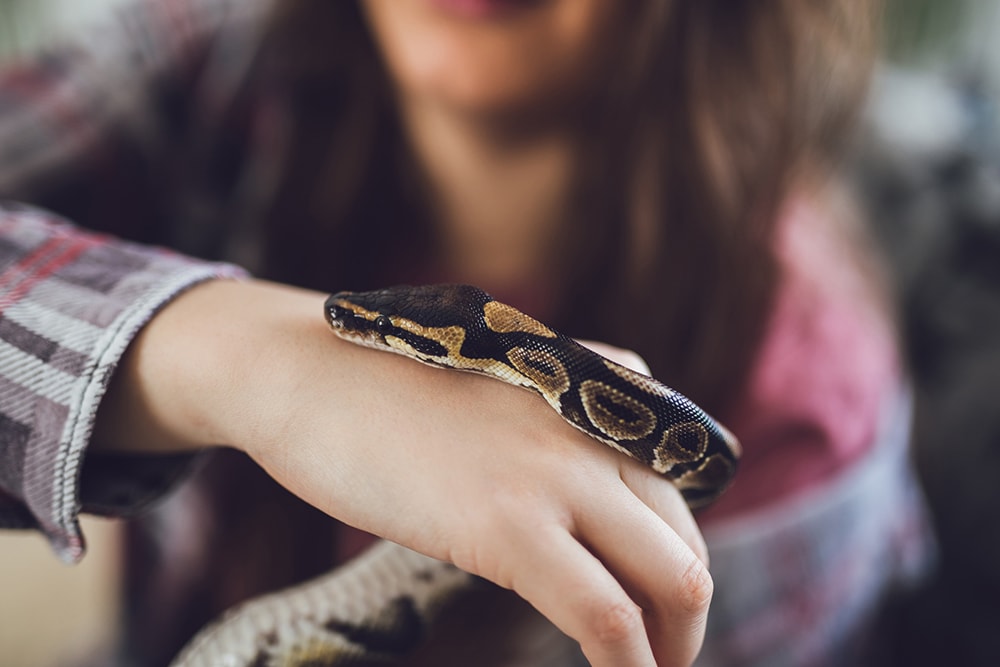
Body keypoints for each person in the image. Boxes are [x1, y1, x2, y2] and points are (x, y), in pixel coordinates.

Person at [0, 0, 931, 665]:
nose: (352, 331)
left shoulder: (802, 402)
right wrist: (232, 354)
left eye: (374, 328)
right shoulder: (216, 62)